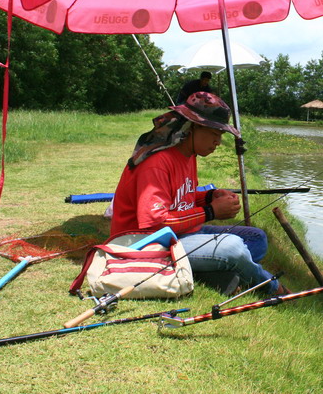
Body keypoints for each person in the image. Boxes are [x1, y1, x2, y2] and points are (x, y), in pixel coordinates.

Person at [110, 91, 287, 295]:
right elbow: (155, 223)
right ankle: (272, 287)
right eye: (215, 134)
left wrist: (210, 197)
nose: (218, 142)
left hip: (180, 235)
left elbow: (179, 199)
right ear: (192, 127)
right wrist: (211, 211)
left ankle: (215, 273)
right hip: (143, 243)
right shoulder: (156, 163)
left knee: (256, 238)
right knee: (233, 248)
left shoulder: (187, 154)